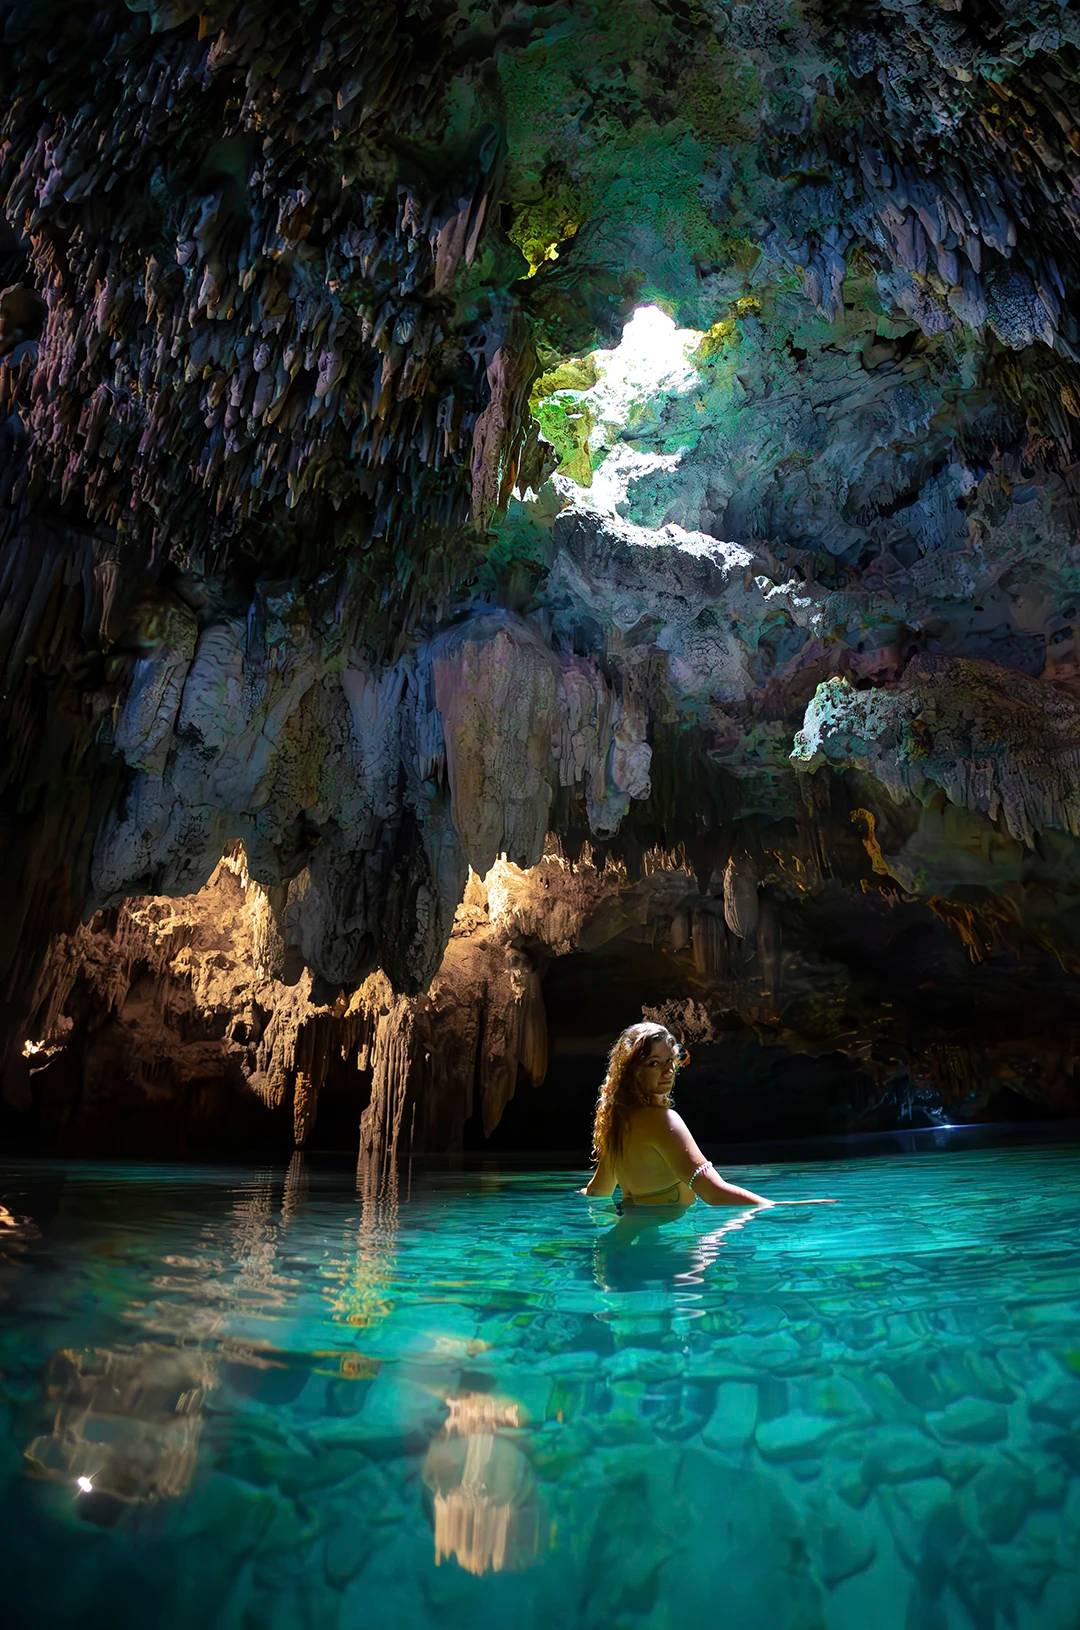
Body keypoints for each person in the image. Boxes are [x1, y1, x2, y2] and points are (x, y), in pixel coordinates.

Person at [580, 1021, 834, 1211]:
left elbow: (599, 1190)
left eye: (670, 1060)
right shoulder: (663, 1121)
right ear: (631, 1072)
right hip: (665, 1243)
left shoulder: (617, 1123)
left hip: (628, 1239)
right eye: (653, 1063)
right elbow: (713, 1192)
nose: (667, 1070)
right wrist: (778, 1206)